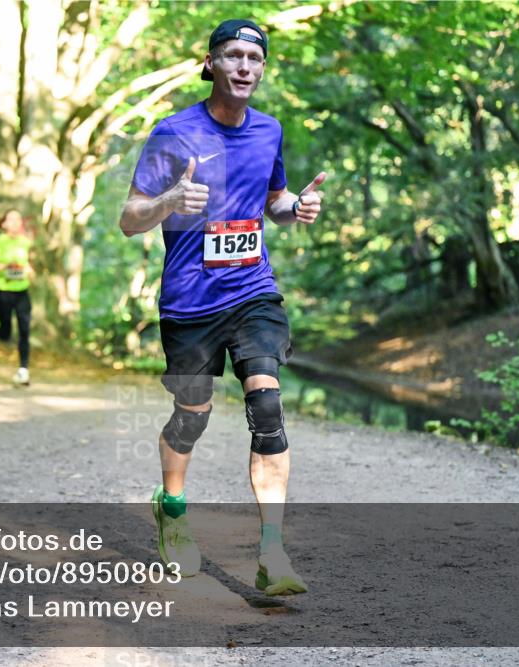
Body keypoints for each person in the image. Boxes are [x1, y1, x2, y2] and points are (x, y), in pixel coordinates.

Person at [119, 19, 326, 595]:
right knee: (194, 414)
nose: (243, 67)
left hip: (251, 289)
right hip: (189, 302)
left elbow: (273, 202)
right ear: (210, 64)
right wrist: (167, 199)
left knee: (267, 405)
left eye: (253, 59)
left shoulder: (269, 131)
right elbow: (130, 219)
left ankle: (273, 552)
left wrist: (297, 208)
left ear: (261, 70)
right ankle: (173, 511)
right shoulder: (172, 132)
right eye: (232, 56)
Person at [0, 210, 34, 386]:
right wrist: (5, 266)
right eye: (11, 219)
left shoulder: (25, 242)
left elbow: (28, 265)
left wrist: (28, 271)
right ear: (4, 224)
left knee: (24, 331)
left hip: (22, 291)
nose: (15, 222)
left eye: (18, 219)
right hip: (3, 291)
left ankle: (23, 370)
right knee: (5, 332)